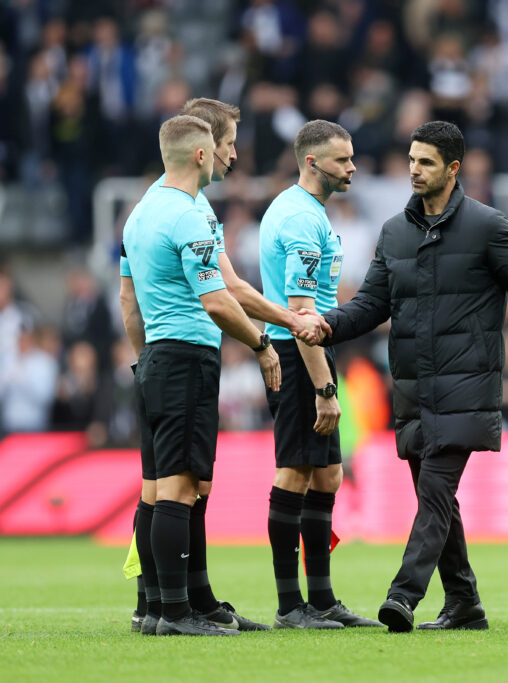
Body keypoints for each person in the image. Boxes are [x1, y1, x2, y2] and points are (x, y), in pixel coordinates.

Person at [319, 120, 508, 632]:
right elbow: (370, 305)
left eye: (426, 162)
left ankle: (402, 596)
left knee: (433, 493)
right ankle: (465, 603)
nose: (414, 170)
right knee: (438, 501)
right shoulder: (394, 232)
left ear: (453, 169)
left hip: (466, 386)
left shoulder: (488, 226)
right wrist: (327, 325)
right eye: (411, 160)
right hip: (412, 389)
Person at [127, 98, 327, 635]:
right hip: (186, 355)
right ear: (202, 148)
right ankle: (174, 612)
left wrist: (141, 357)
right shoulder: (189, 213)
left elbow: (129, 298)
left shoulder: (141, 209)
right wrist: (266, 341)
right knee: (179, 487)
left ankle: (169, 604)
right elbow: (222, 297)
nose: (233, 155)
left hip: (154, 357)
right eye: (229, 143)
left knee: (161, 486)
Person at [259, 119, 381, 630]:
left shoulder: (307, 212)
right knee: (294, 472)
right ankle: (291, 606)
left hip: (309, 350)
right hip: (297, 352)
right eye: (342, 160)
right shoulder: (301, 221)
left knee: (328, 474)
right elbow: (304, 313)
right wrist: (324, 389)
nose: (352, 167)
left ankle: (323, 599)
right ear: (312, 162)